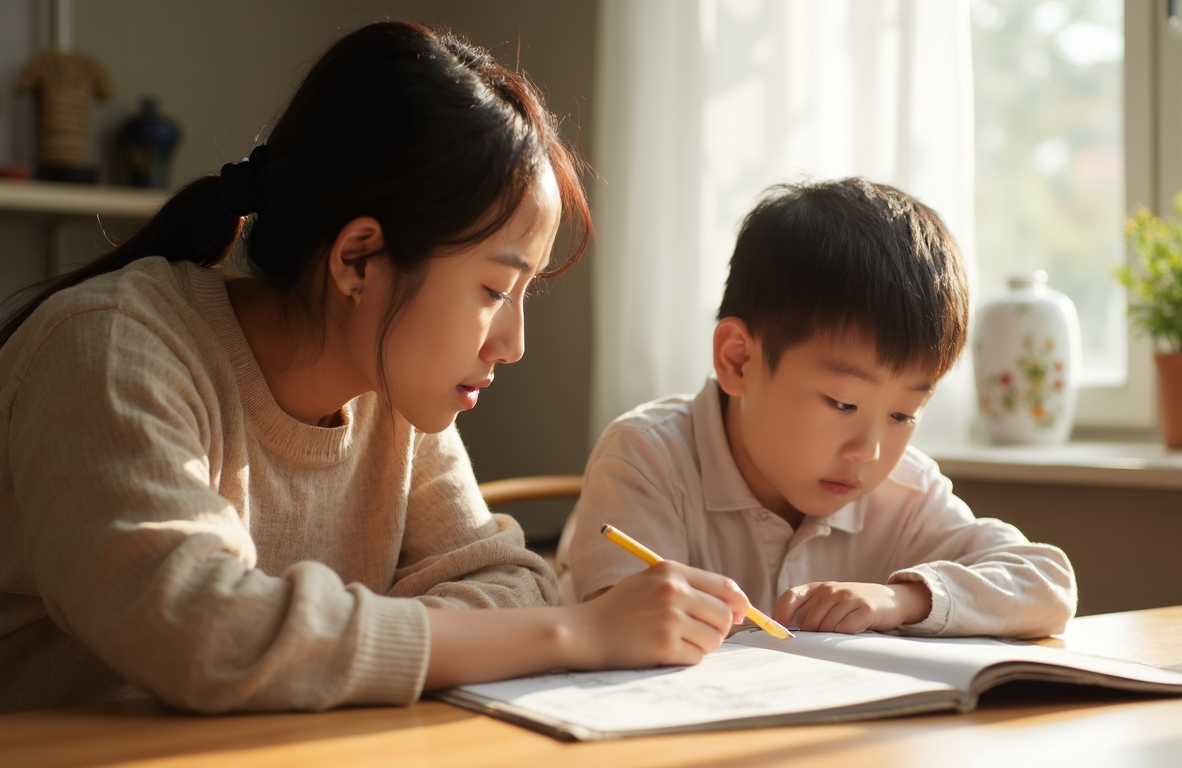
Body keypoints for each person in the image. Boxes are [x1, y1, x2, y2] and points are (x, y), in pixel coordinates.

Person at [0, 21, 751, 714]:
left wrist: (324, 647)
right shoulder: (110, 351)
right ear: (359, 258)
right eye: (494, 289)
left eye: (526, 294)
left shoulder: (391, 386)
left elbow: (511, 582)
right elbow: (206, 634)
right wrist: (575, 634)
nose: (514, 343)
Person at [562, 178, 1077, 639]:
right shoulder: (646, 458)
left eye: (903, 415)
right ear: (738, 359)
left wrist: (901, 599)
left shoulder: (905, 492)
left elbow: (1047, 583)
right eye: (842, 402)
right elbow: (620, 635)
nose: (869, 450)